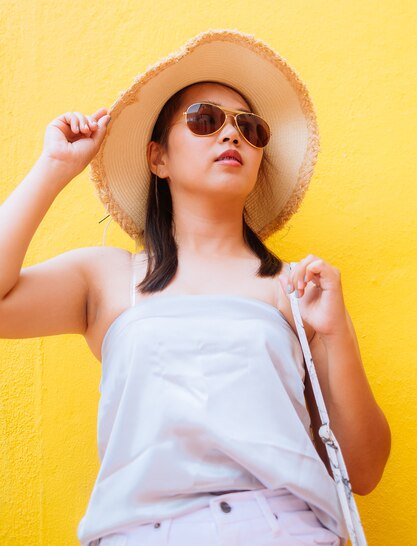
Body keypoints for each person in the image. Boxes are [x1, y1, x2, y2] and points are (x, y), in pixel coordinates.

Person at [0, 29, 391, 546]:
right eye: (206, 120)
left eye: (249, 128)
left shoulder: (297, 288)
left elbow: (362, 472)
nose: (231, 137)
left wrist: (336, 332)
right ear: (156, 157)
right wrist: (54, 168)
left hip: (287, 531)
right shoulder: (108, 278)